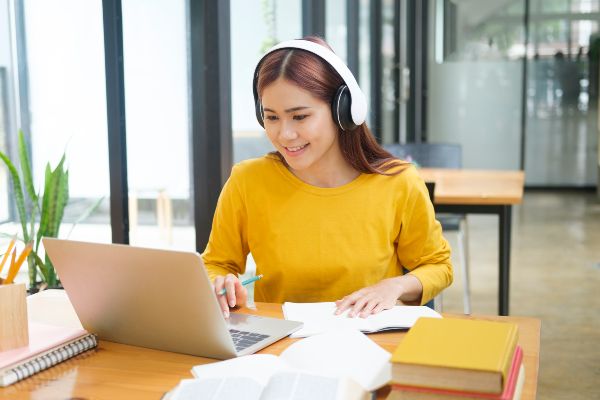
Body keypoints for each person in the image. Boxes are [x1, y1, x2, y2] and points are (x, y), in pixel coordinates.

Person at [202, 36, 453, 319]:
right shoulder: (248, 181)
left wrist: (393, 286)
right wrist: (220, 283)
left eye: (299, 117)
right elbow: (216, 264)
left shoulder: (398, 182)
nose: (285, 135)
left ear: (342, 110)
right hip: (279, 347)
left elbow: (438, 266)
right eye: (272, 117)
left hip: (369, 345)